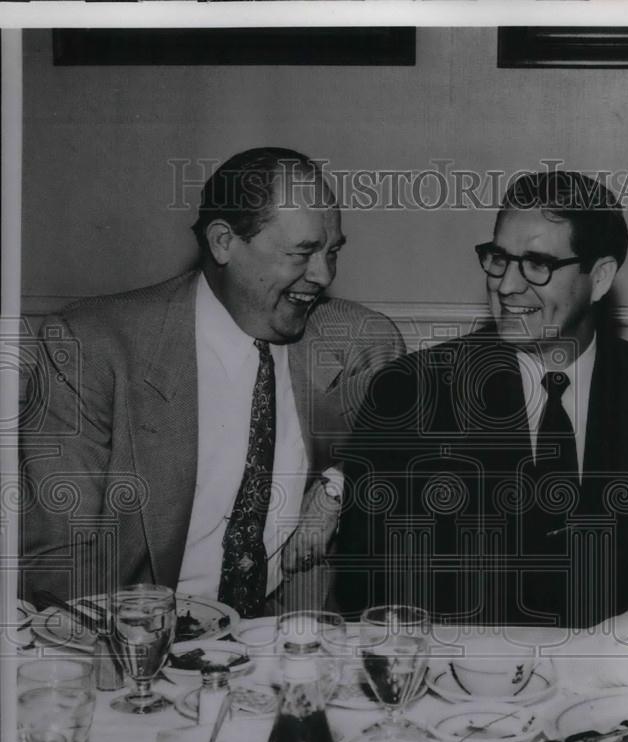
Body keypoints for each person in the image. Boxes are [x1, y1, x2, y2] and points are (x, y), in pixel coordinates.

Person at [336, 170, 628, 638]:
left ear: (601, 277)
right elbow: (365, 583)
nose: (506, 286)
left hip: (621, 688)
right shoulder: (410, 391)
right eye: (499, 259)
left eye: (537, 264)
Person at [20, 147, 405, 615]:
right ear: (223, 242)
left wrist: (334, 489)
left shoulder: (359, 341)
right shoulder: (91, 346)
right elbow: (59, 559)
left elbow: (396, 453)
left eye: (332, 252)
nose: (322, 275)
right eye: (302, 252)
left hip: (287, 642)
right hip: (133, 638)